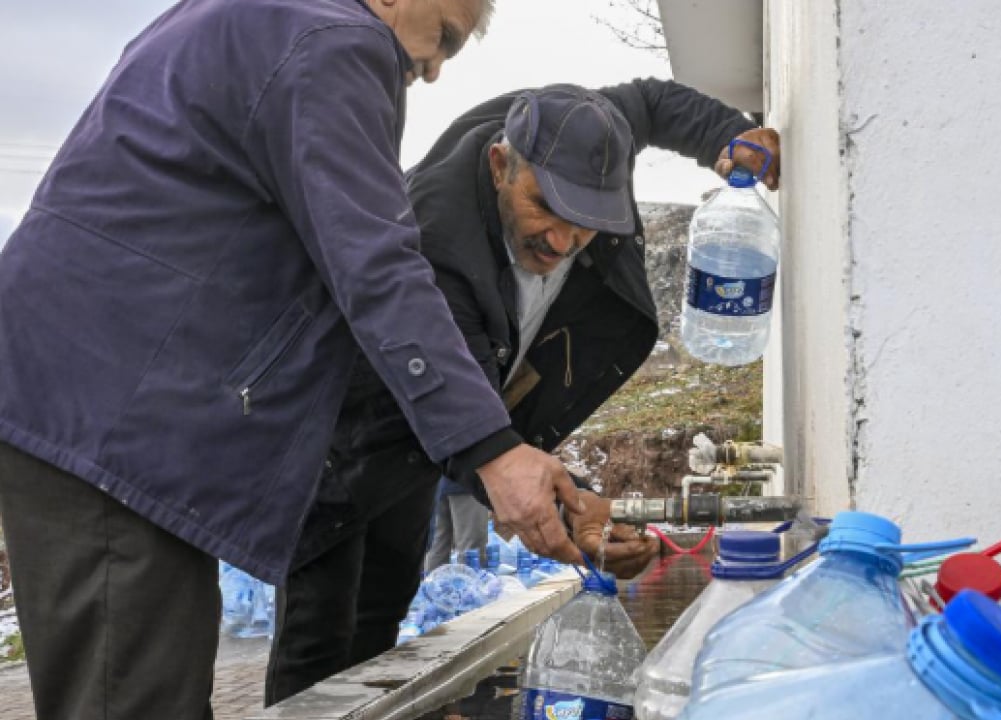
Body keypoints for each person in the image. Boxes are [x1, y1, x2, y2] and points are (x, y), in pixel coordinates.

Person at [0, 1, 599, 718]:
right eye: (443, 38)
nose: (435, 69)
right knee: (130, 698)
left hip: (88, 398)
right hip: (113, 420)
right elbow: (376, 269)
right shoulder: (334, 42)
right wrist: (492, 450)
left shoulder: (244, 17)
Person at [266, 79, 781, 703]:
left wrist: (723, 136)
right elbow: (475, 419)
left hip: (425, 444)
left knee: (381, 617)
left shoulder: (586, 131)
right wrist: (572, 509)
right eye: (546, 208)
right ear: (500, 165)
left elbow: (648, 103)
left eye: (587, 224)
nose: (563, 242)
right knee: (320, 637)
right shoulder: (434, 247)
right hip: (343, 428)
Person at [424, 478, 492, 571]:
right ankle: (468, 584)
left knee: (438, 546)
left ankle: (432, 583)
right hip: (467, 483)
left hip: (440, 481)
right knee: (471, 551)